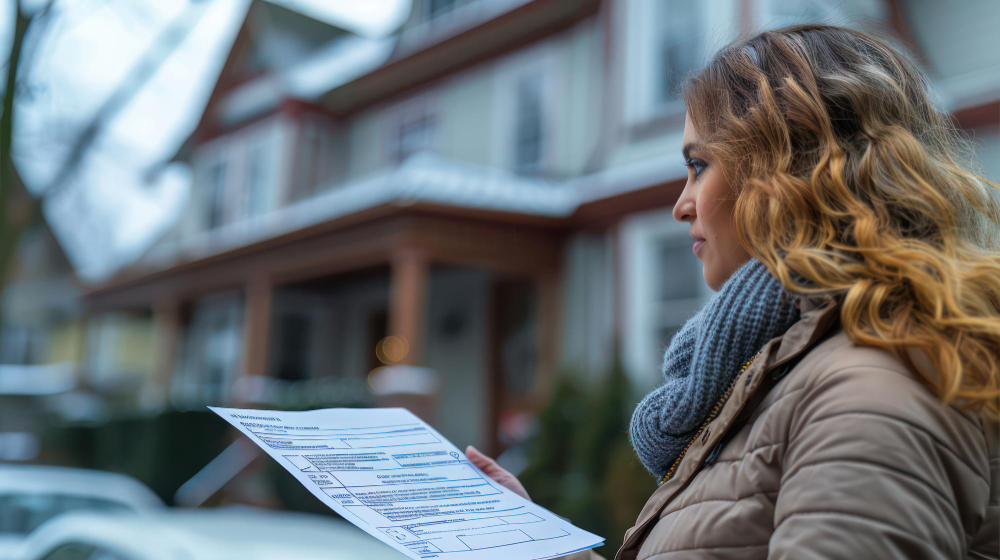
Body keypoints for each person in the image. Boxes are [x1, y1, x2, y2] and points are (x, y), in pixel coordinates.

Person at [466, 23, 1000, 559]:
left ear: (790, 166)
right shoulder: (785, 369)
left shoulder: (865, 390)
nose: (682, 205)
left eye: (699, 166)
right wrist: (541, 545)